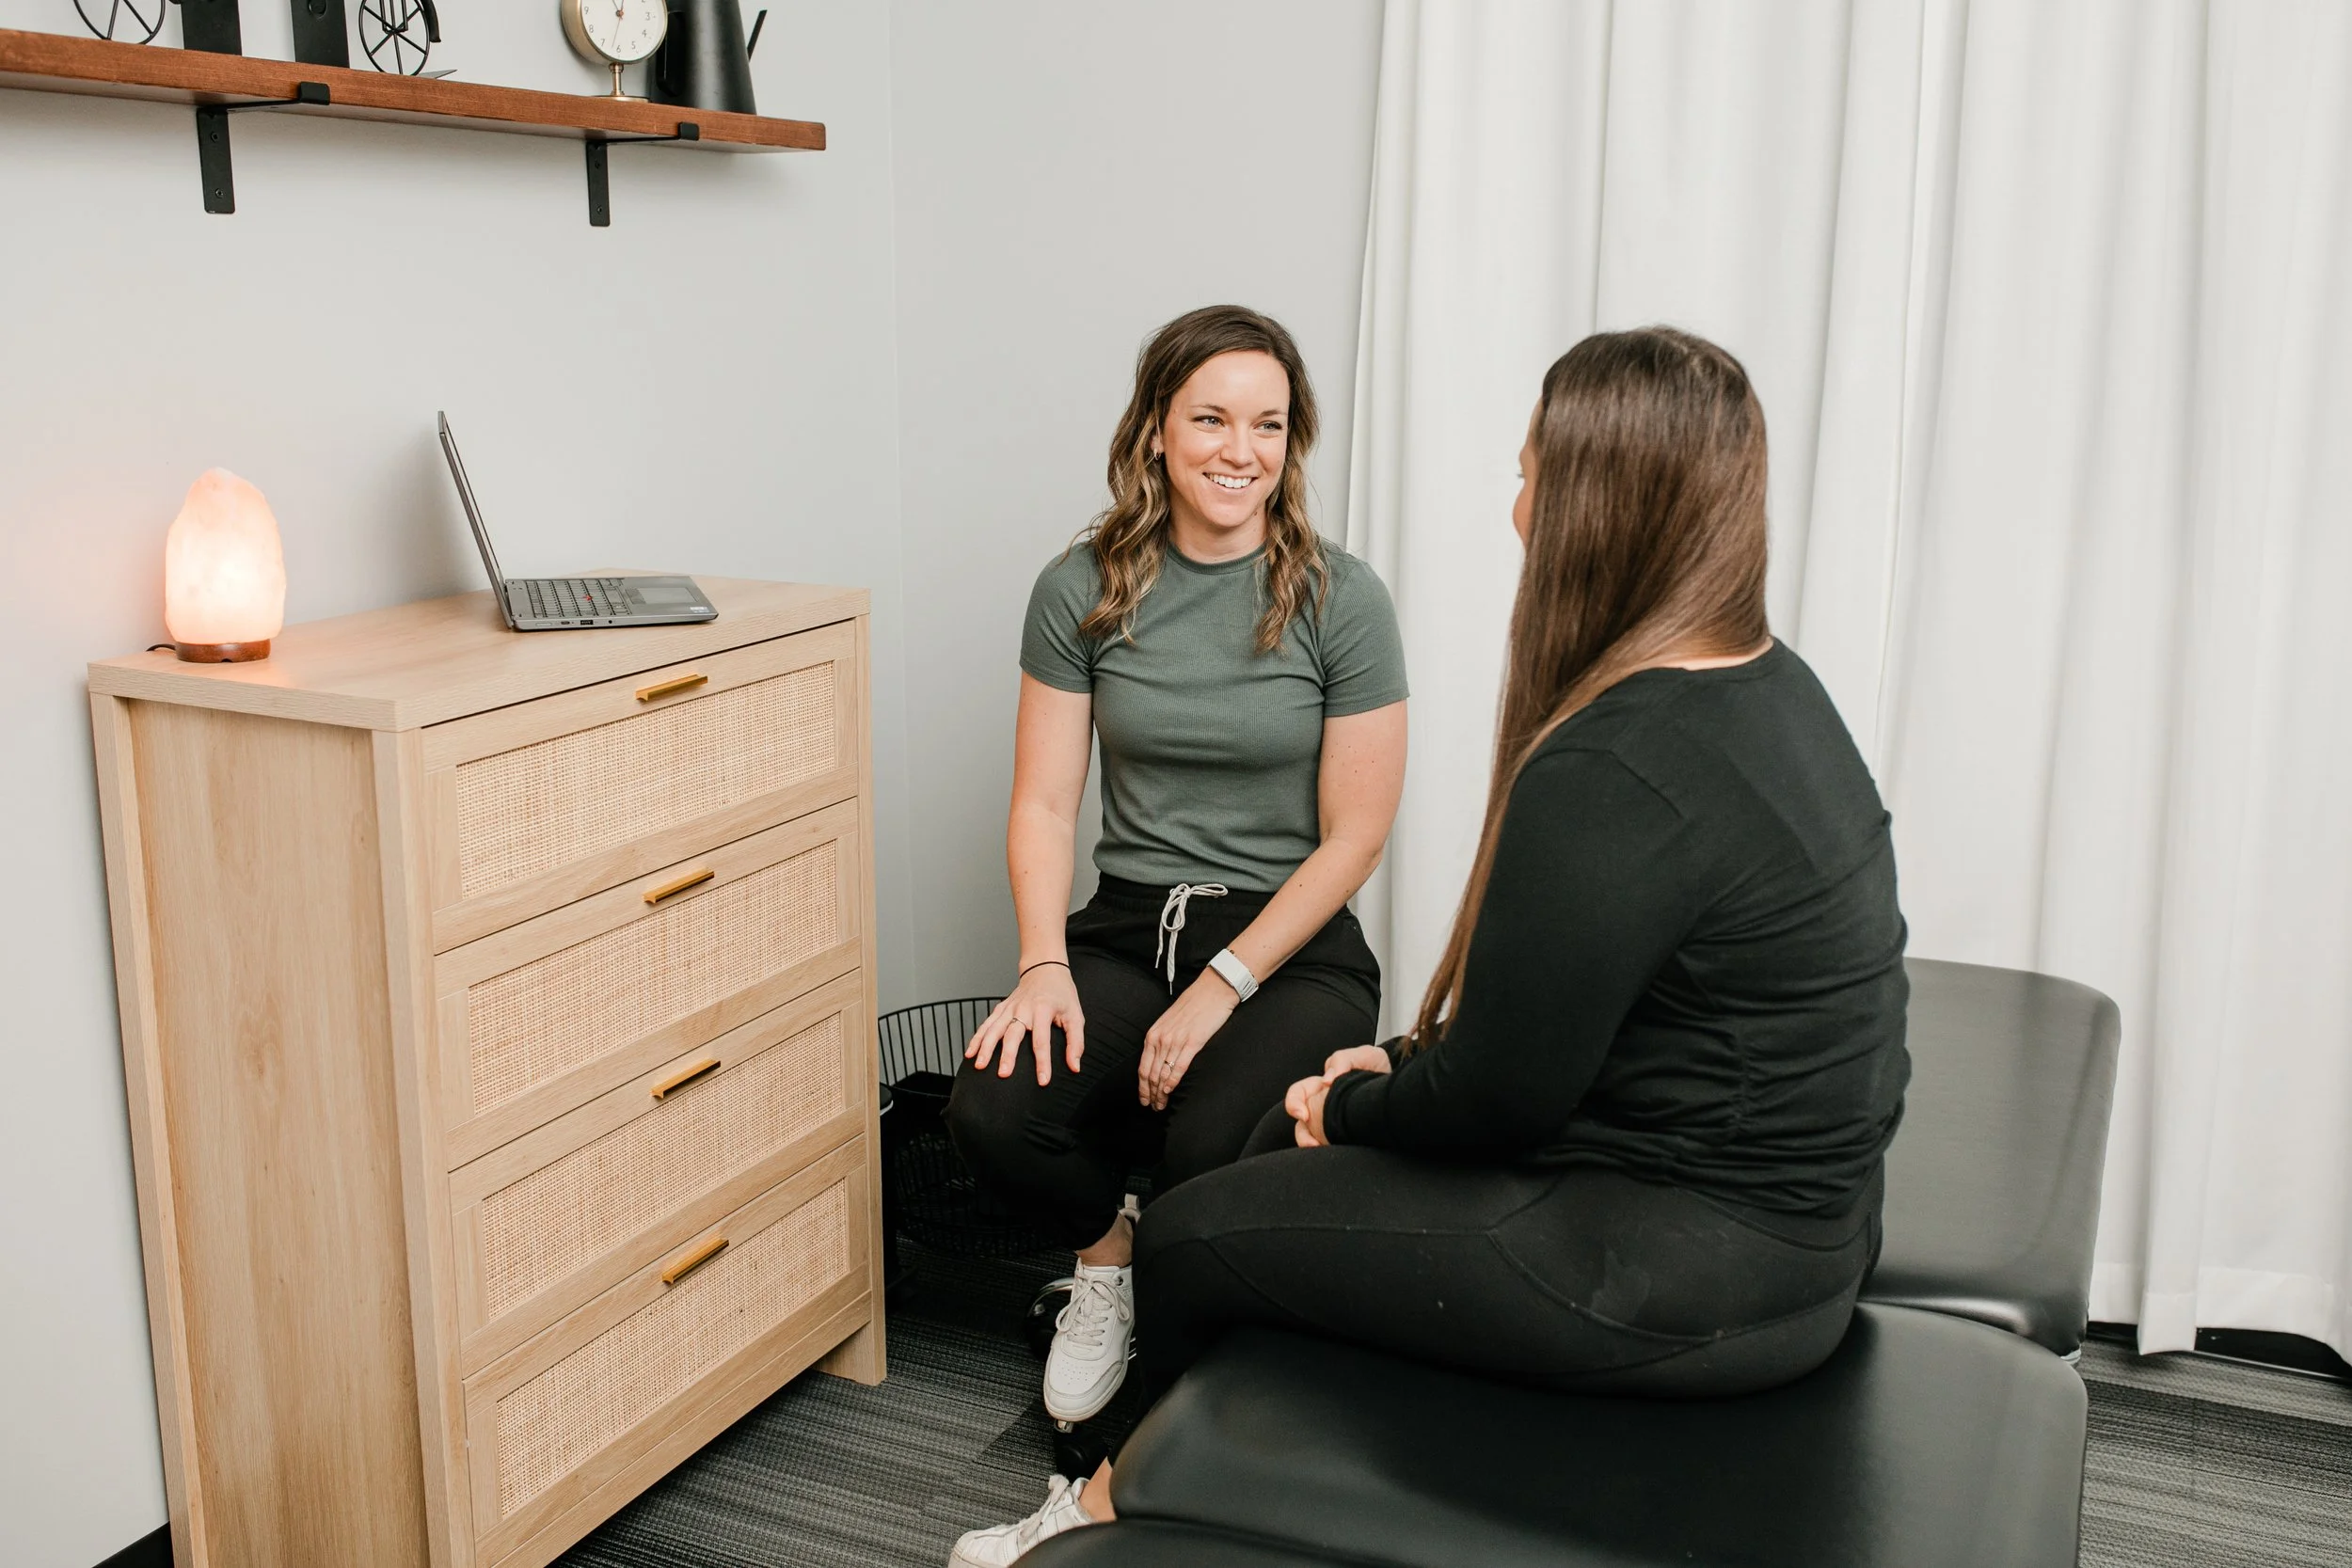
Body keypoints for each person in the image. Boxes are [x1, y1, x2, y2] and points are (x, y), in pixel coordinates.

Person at [948, 325, 1912, 1566]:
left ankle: (1099, 1518)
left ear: (1594, 509)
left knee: (1193, 1233)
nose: (1516, 508)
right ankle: (1226, 1492)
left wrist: (1352, 1102)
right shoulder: (1765, 688)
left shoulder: (1609, 761)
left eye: (1529, 477)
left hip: (1681, 1270)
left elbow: (1504, 1095)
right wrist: (1393, 1071)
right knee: (1261, 1168)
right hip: (1787, 1235)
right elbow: (1568, 1024)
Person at [945, 305, 1409, 1440]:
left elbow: (1354, 837)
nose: (1239, 450)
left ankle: (1188, 1369)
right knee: (992, 1108)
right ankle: (1107, 1262)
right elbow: (1043, 801)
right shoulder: (1083, 585)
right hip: (1126, 926)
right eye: (1210, 418)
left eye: (1268, 423)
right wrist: (1041, 962)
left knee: (1208, 1150)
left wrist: (1221, 984)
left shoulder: (1341, 597)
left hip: (1287, 946)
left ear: (1291, 439)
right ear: (1157, 427)